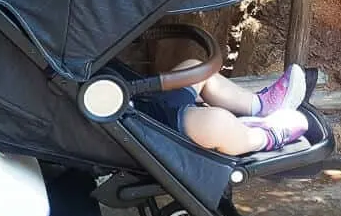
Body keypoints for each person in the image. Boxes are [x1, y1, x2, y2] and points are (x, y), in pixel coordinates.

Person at [133, 63, 310, 156]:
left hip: (143, 100)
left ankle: (259, 106)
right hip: (143, 128)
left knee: (194, 69)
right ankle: (266, 137)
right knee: (215, 124)